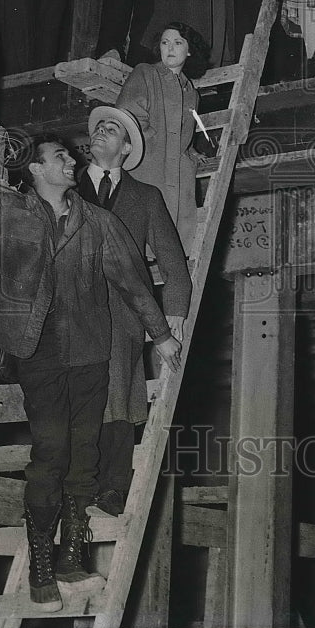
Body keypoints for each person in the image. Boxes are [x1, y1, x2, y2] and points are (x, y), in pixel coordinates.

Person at [0, 138, 181, 611]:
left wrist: (162, 334)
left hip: (93, 353)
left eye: (71, 158)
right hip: (41, 356)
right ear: (35, 168)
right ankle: (40, 566)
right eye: (61, 158)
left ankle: (72, 558)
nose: (72, 161)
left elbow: (132, 281)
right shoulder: (7, 211)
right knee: (51, 453)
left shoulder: (98, 222)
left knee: (85, 455)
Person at [76, 105, 191, 517]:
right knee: (75, 396)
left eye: (112, 130)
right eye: (99, 128)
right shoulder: (65, 188)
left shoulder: (145, 198)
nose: (101, 134)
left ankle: (112, 487)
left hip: (123, 314)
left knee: (119, 394)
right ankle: (75, 486)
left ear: (126, 148)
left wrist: (173, 313)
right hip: (70, 312)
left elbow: (174, 266)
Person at [117, 22, 211, 254]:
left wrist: (190, 151)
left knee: (175, 244)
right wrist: (154, 142)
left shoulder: (191, 93)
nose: (170, 48)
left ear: (189, 51)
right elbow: (128, 114)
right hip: (147, 165)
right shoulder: (145, 73)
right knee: (140, 239)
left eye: (178, 42)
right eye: (165, 42)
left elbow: (184, 131)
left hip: (176, 173)